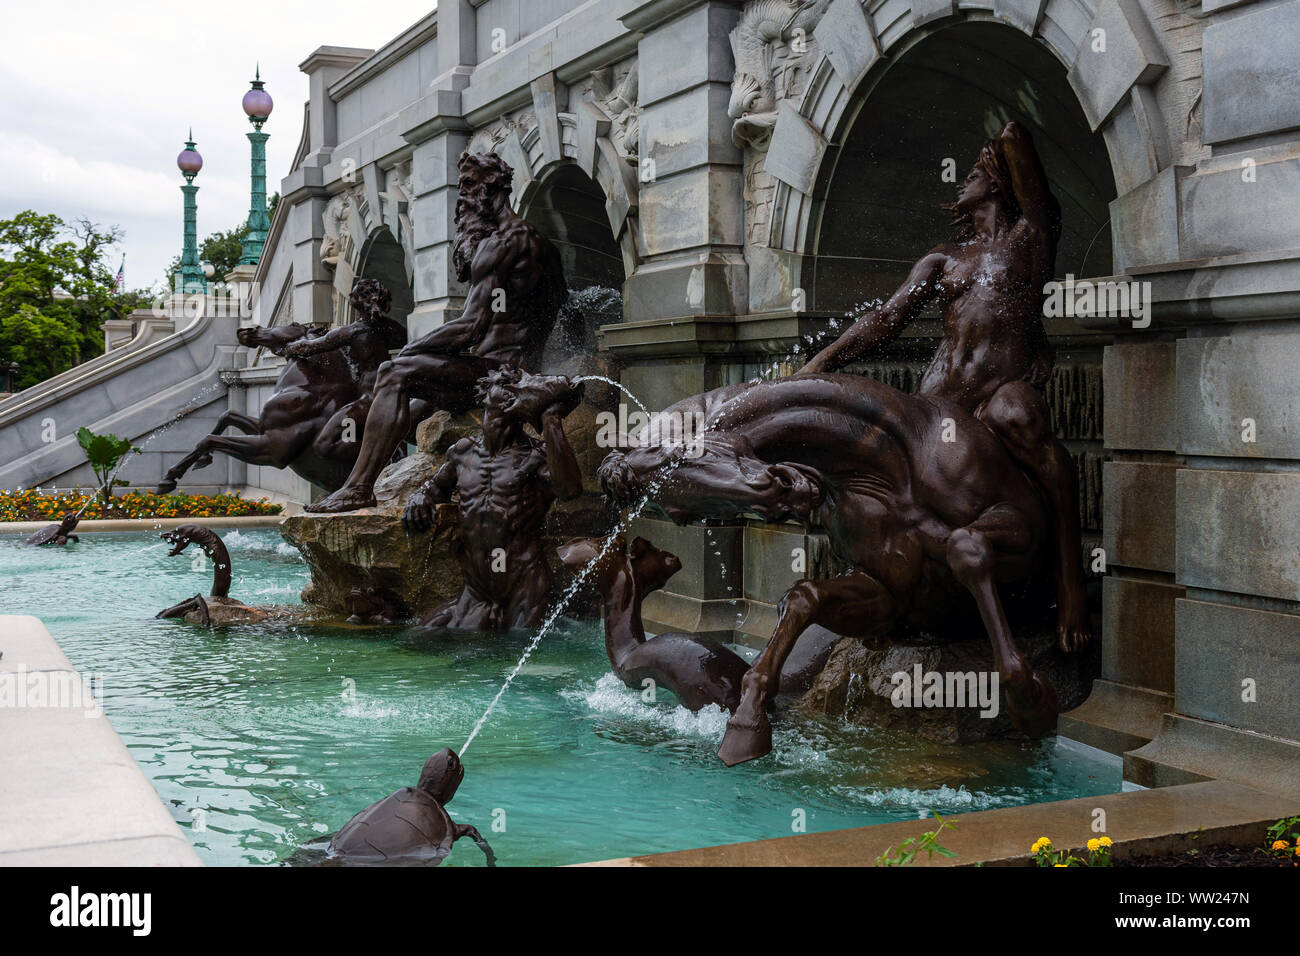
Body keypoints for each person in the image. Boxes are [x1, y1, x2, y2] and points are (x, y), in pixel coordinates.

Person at [801, 121, 1089, 653]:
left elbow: (1016, 136)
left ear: (1000, 183)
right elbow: (885, 319)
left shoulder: (1032, 237)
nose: (961, 183)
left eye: (975, 175)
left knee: (1020, 416)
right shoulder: (944, 257)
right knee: (883, 468)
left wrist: (999, 147)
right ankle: (891, 594)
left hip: (1002, 388)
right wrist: (820, 363)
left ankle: (1071, 582)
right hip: (943, 397)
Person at [306, 152, 568, 513]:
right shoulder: (544, 248)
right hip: (516, 370)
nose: (460, 200)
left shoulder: (501, 245)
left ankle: (359, 486)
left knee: (393, 373)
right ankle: (393, 475)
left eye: (466, 186)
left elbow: (470, 327)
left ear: (488, 190)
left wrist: (410, 352)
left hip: (498, 375)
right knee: (409, 408)